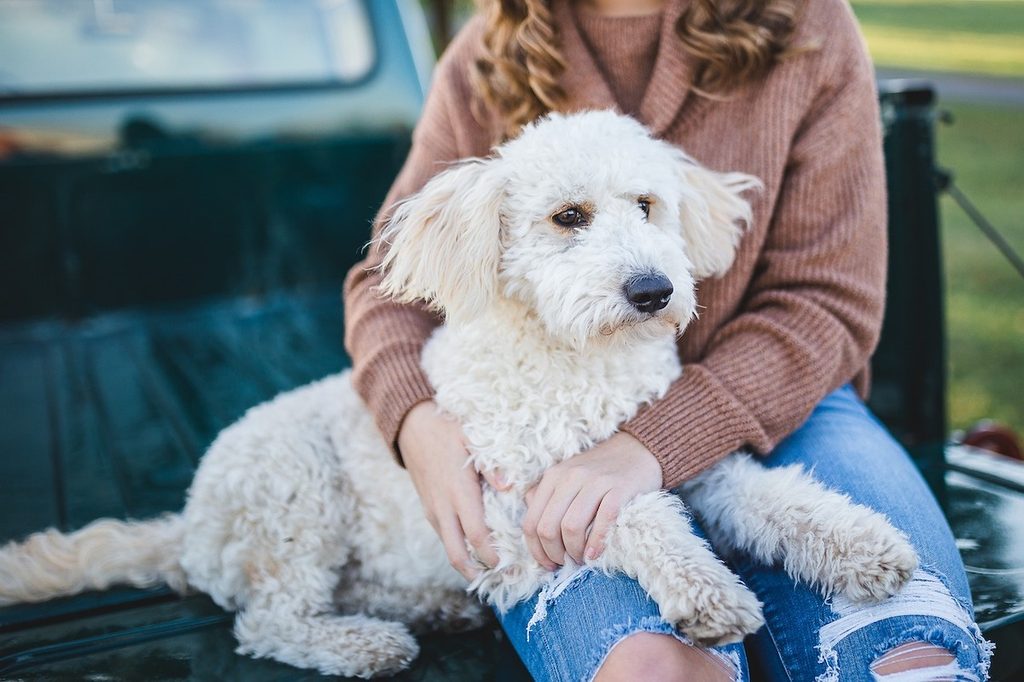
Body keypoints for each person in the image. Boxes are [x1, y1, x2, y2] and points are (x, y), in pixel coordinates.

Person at [343, 0, 992, 679]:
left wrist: (653, 444)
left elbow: (828, 300)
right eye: (570, 216)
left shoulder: (810, 25)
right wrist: (416, 421)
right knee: (658, 668)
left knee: (911, 653)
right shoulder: (493, 45)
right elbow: (385, 284)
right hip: (549, 427)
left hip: (786, 401)